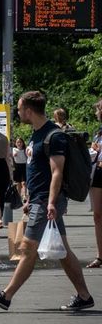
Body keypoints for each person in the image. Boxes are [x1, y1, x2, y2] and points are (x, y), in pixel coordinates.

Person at [0, 91, 94, 311]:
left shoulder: (54, 135)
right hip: (39, 199)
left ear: (29, 110)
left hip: (47, 201)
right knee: (62, 250)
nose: (18, 113)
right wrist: (28, 198)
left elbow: (57, 172)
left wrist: (50, 202)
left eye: (20, 109)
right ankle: (84, 296)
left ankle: (6, 295)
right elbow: (36, 171)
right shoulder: (36, 134)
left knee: (27, 247)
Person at [87, 99, 102, 269]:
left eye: (97, 110)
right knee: (97, 215)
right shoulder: (98, 132)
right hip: (98, 171)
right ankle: (100, 256)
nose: (96, 113)